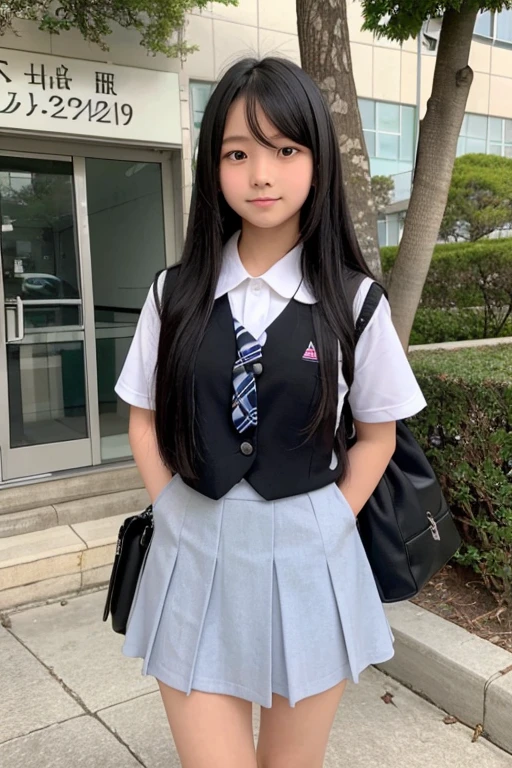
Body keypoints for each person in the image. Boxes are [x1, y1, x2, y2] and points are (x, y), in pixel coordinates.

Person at [114, 56, 427, 768]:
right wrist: (173, 509)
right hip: (191, 550)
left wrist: (328, 521)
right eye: (238, 153)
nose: (262, 174)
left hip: (310, 554)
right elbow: (142, 417)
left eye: (286, 150)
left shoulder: (355, 304)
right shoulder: (174, 295)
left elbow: (379, 434)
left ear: (317, 161)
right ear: (213, 167)